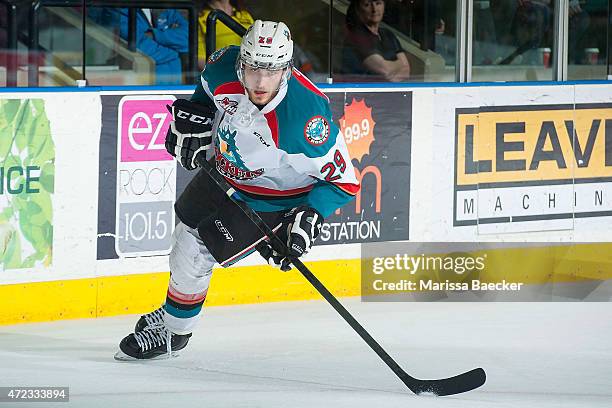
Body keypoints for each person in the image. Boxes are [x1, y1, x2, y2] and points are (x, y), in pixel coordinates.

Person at [115, 20, 361, 360]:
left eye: (272, 71)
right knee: (184, 231)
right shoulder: (222, 67)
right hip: (226, 172)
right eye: (253, 68)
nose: (260, 82)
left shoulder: (304, 121)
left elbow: (345, 181)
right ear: (241, 61)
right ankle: (176, 307)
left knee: (194, 250)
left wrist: (309, 215)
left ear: (287, 69)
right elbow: (205, 91)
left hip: (274, 198)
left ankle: (175, 332)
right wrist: (196, 118)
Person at [89, 8, 188, 85]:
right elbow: (141, 49)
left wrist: (154, 34)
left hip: (173, 84)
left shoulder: (167, 8)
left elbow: (189, 37)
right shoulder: (119, 10)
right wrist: (175, 51)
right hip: (143, 85)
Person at [341, 0, 411, 82]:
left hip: (390, 92)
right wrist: (400, 64)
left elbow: (407, 71)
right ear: (358, 10)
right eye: (367, 5)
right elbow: (385, 70)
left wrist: (390, 75)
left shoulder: (388, 34)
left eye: (378, 3)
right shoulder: (356, 36)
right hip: (362, 92)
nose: (374, 9)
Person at [196, 0, 254, 70]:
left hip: (248, 71)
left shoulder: (245, 14)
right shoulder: (200, 18)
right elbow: (199, 58)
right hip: (222, 74)